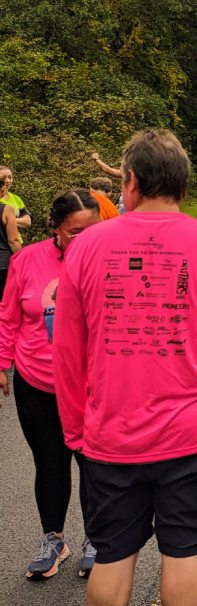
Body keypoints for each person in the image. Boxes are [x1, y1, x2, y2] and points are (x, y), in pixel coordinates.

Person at [53, 129, 197, 606]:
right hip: (195, 436)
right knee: (183, 551)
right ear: (184, 184)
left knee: (112, 553)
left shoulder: (84, 247)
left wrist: (75, 426)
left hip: (111, 434)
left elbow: (66, 350)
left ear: (130, 181)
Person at [0, 190, 99, 580]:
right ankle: (54, 539)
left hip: (91, 385)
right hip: (36, 382)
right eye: (77, 232)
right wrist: (2, 362)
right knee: (50, 462)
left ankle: (96, 538)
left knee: (92, 464)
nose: (87, 239)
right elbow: (8, 316)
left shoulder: (107, 260)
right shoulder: (27, 260)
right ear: (55, 228)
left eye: (94, 229)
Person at [0, 166, 32, 239]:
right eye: (4, 178)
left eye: (10, 177)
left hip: (16, 241)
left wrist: (7, 221)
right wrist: (18, 221)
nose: (7, 180)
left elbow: (28, 222)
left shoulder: (16, 198)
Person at [0, 193, 22, 298]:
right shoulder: (6, 209)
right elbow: (13, 240)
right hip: (3, 264)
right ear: (2, 190)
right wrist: (22, 262)